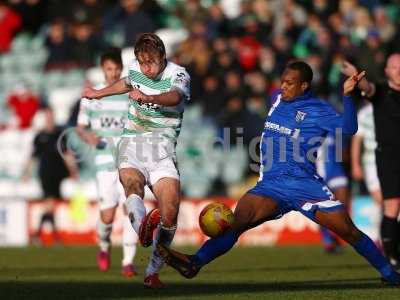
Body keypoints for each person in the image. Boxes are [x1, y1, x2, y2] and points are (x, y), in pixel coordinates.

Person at [156, 61, 400, 285]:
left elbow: (349, 128)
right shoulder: (278, 100)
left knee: (350, 232)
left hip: (305, 186)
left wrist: (348, 96)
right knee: (236, 223)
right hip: (270, 186)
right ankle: (194, 263)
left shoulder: (318, 109)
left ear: (304, 86)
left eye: (290, 83)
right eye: (282, 81)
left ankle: (390, 275)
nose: (283, 86)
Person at [81, 33, 190, 288]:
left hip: (163, 149)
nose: (146, 68)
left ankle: (152, 273)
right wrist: (98, 93)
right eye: (141, 63)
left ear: (163, 57)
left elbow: (175, 97)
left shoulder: (179, 74)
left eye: (151, 62)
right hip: (133, 142)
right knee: (132, 185)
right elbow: (126, 83)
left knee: (170, 211)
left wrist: (149, 98)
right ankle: (142, 227)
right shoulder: (135, 69)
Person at [76, 48, 138, 278]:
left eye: (116, 69)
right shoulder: (92, 96)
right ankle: (104, 245)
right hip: (103, 161)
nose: (113, 74)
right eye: (109, 69)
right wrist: (88, 136)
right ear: (102, 69)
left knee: (130, 208)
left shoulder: (128, 93)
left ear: (121, 69)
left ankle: (128, 262)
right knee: (108, 216)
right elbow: (81, 127)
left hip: (129, 160)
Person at [342, 54, 400, 268]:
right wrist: (358, 78)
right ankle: (391, 259)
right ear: (387, 71)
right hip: (389, 156)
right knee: (392, 205)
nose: (399, 71)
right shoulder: (382, 91)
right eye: (395, 67)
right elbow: (368, 88)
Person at [23, 107, 79, 244]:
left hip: (58, 174)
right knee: (50, 203)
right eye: (47, 116)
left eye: (51, 116)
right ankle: (51, 236)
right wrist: (27, 173)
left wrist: (72, 170)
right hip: (45, 174)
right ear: (44, 118)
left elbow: (67, 154)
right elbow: (33, 157)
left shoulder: (60, 135)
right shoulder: (39, 136)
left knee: (50, 205)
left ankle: (40, 235)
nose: (49, 119)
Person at [316, 131, 351, 253]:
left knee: (342, 206)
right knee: (322, 209)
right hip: (319, 175)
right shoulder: (310, 130)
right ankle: (328, 240)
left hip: (337, 172)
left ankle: (338, 236)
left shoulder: (336, 131)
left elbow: (344, 153)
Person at [351, 103, 382, 204]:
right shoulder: (364, 113)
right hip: (371, 159)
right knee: (378, 195)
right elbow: (357, 140)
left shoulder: (392, 106)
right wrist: (355, 165)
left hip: (391, 156)